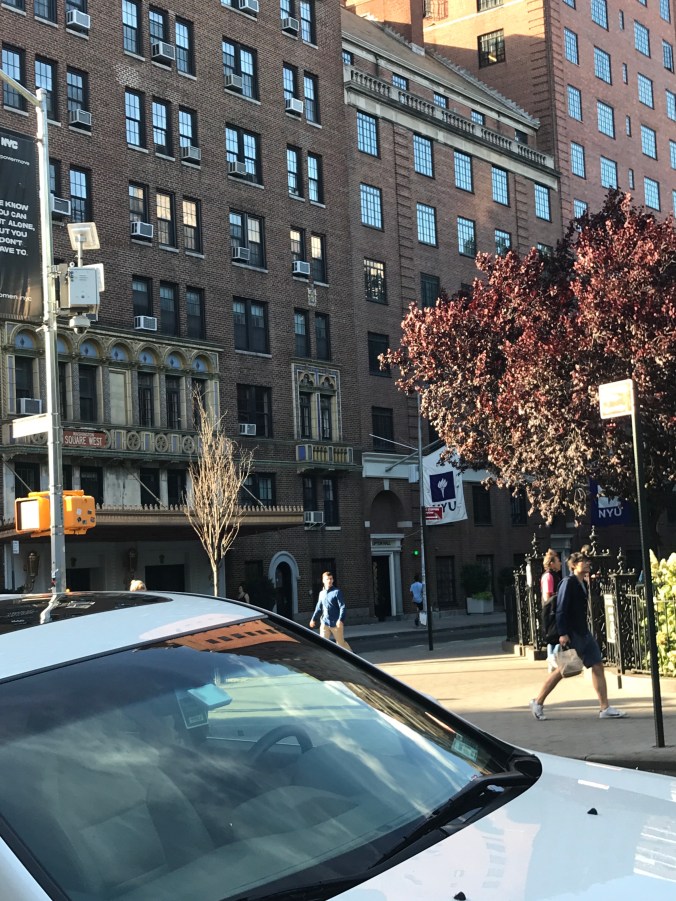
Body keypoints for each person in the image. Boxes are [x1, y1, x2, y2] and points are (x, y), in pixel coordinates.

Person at [529, 552, 626, 720]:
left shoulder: (583, 583)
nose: (587, 564)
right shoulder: (568, 583)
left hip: (583, 632)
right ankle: (538, 702)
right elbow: (561, 609)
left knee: (597, 666)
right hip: (573, 633)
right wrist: (563, 633)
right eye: (583, 561)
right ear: (574, 565)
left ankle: (605, 708)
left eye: (588, 561)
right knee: (563, 670)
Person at [309, 572, 352, 650]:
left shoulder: (337, 592)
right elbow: (318, 607)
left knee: (341, 644)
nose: (329, 581)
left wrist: (340, 620)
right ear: (323, 580)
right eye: (327, 579)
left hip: (336, 623)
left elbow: (342, 606)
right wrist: (313, 619)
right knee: (322, 643)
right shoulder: (321, 594)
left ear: (333, 580)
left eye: (331, 579)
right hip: (325, 622)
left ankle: (352, 656)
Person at [540, 549, 562, 672]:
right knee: (557, 635)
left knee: (552, 636)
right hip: (552, 610)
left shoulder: (553, 575)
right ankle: (552, 656)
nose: (560, 563)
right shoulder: (548, 576)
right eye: (558, 561)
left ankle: (551, 659)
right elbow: (547, 596)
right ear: (552, 563)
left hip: (553, 609)